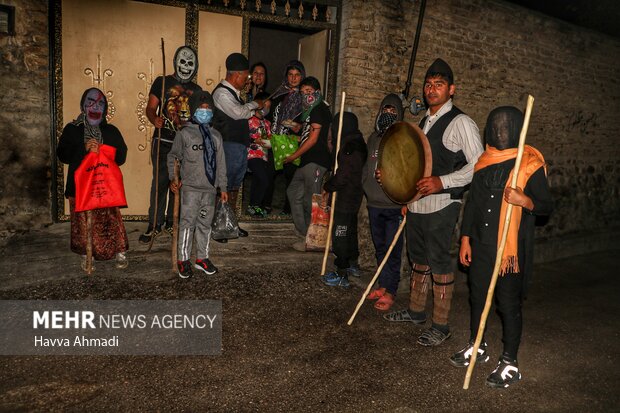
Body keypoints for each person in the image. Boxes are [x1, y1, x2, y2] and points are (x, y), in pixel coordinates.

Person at [382, 58, 484, 347]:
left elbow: (479, 165)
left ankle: (440, 325)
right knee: (419, 260)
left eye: (439, 85)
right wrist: (396, 184)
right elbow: (412, 166)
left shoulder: (461, 122)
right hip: (417, 206)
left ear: (452, 89)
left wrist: (443, 181)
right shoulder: (423, 122)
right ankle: (415, 312)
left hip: (443, 206)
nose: (432, 89)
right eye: (428, 84)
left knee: (439, 263)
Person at [450, 106, 553, 388]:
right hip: (482, 245)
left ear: (517, 130)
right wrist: (466, 239)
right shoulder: (484, 161)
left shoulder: (529, 164)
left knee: (508, 304)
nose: (500, 132)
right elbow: (472, 206)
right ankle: (477, 345)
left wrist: (525, 201)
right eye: (497, 126)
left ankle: (510, 361)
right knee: (478, 297)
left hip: (510, 252)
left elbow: (546, 206)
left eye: (507, 127)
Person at [57, 87, 129, 270]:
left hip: (104, 186)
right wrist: (83, 149)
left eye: (101, 103)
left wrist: (104, 150)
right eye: (90, 101)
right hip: (80, 187)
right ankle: (86, 254)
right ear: (83, 105)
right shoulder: (72, 129)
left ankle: (119, 252)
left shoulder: (111, 131)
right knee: (82, 223)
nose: (95, 106)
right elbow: (62, 155)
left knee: (111, 220)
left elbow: (121, 157)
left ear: (105, 109)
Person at [140, 45, 202, 244]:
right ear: (176, 61)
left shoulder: (197, 90)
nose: (186, 66)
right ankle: (154, 225)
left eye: (190, 63)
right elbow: (150, 108)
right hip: (163, 141)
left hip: (184, 145)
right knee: (159, 183)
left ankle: (171, 222)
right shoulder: (162, 82)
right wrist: (154, 119)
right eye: (183, 61)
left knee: (180, 184)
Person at [167, 90, 228, 279]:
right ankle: (183, 260)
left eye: (208, 108)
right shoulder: (185, 134)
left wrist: (223, 187)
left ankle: (202, 258)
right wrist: (173, 179)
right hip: (191, 190)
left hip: (209, 190)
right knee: (187, 224)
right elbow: (173, 156)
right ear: (193, 111)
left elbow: (221, 164)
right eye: (201, 109)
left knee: (205, 224)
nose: (205, 111)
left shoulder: (216, 136)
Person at [213, 53, 270, 240]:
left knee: (235, 188)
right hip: (227, 147)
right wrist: (255, 104)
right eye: (246, 76)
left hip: (238, 148)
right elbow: (238, 113)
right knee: (224, 187)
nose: (247, 80)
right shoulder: (221, 93)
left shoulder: (235, 94)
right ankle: (219, 227)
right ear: (236, 75)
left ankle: (231, 224)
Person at [362, 94, 406, 311]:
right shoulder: (373, 138)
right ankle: (382, 284)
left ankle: (391, 291)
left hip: (393, 205)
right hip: (374, 204)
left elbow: (408, 172)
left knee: (392, 249)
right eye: (385, 111)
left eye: (393, 112)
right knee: (380, 248)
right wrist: (365, 184)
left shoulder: (402, 139)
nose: (388, 115)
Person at [321, 112, 367, 288]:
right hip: (353, 196)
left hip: (345, 197)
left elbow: (343, 176)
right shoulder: (357, 141)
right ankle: (353, 264)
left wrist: (328, 186)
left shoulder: (350, 146)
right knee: (350, 230)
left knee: (340, 234)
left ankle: (341, 273)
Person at [285, 76, 332, 239]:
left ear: (317, 92)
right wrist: (297, 127)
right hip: (306, 161)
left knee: (310, 201)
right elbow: (307, 134)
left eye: (309, 91)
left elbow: (313, 139)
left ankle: (315, 239)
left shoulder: (319, 109)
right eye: (303, 92)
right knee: (293, 192)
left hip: (315, 161)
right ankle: (305, 232)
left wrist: (292, 157)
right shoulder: (310, 111)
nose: (305, 95)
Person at [265, 60, 306, 216]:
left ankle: (288, 211)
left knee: (291, 178)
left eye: (297, 75)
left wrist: (299, 127)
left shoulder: (305, 98)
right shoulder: (278, 93)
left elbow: (308, 121)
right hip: (275, 140)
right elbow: (268, 116)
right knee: (269, 175)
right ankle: (265, 206)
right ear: (286, 76)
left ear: (302, 76)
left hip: (291, 142)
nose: (293, 78)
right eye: (290, 75)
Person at [246, 91, 273, 217]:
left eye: (269, 106)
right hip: (252, 155)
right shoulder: (248, 120)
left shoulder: (267, 123)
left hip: (264, 155)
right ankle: (255, 205)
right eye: (264, 106)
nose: (266, 109)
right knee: (263, 180)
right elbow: (242, 136)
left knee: (258, 180)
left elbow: (271, 139)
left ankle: (252, 206)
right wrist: (253, 140)